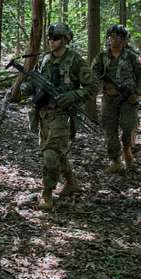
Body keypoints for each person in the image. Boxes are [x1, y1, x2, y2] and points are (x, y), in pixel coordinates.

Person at [22, 22, 95, 211]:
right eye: (49, 38)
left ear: (64, 40)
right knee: (57, 152)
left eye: (55, 38)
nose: (51, 42)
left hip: (62, 115)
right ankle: (71, 182)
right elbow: (35, 80)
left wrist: (73, 95)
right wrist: (26, 88)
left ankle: (47, 193)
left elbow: (92, 87)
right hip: (43, 115)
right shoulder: (45, 59)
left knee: (50, 154)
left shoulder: (76, 61)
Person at [92, 24, 141, 173]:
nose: (115, 40)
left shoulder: (133, 57)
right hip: (110, 99)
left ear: (124, 40)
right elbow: (94, 74)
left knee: (128, 126)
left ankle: (127, 149)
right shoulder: (101, 57)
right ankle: (116, 161)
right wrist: (105, 86)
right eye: (112, 37)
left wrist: (137, 93)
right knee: (110, 130)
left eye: (119, 37)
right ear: (108, 39)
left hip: (128, 99)